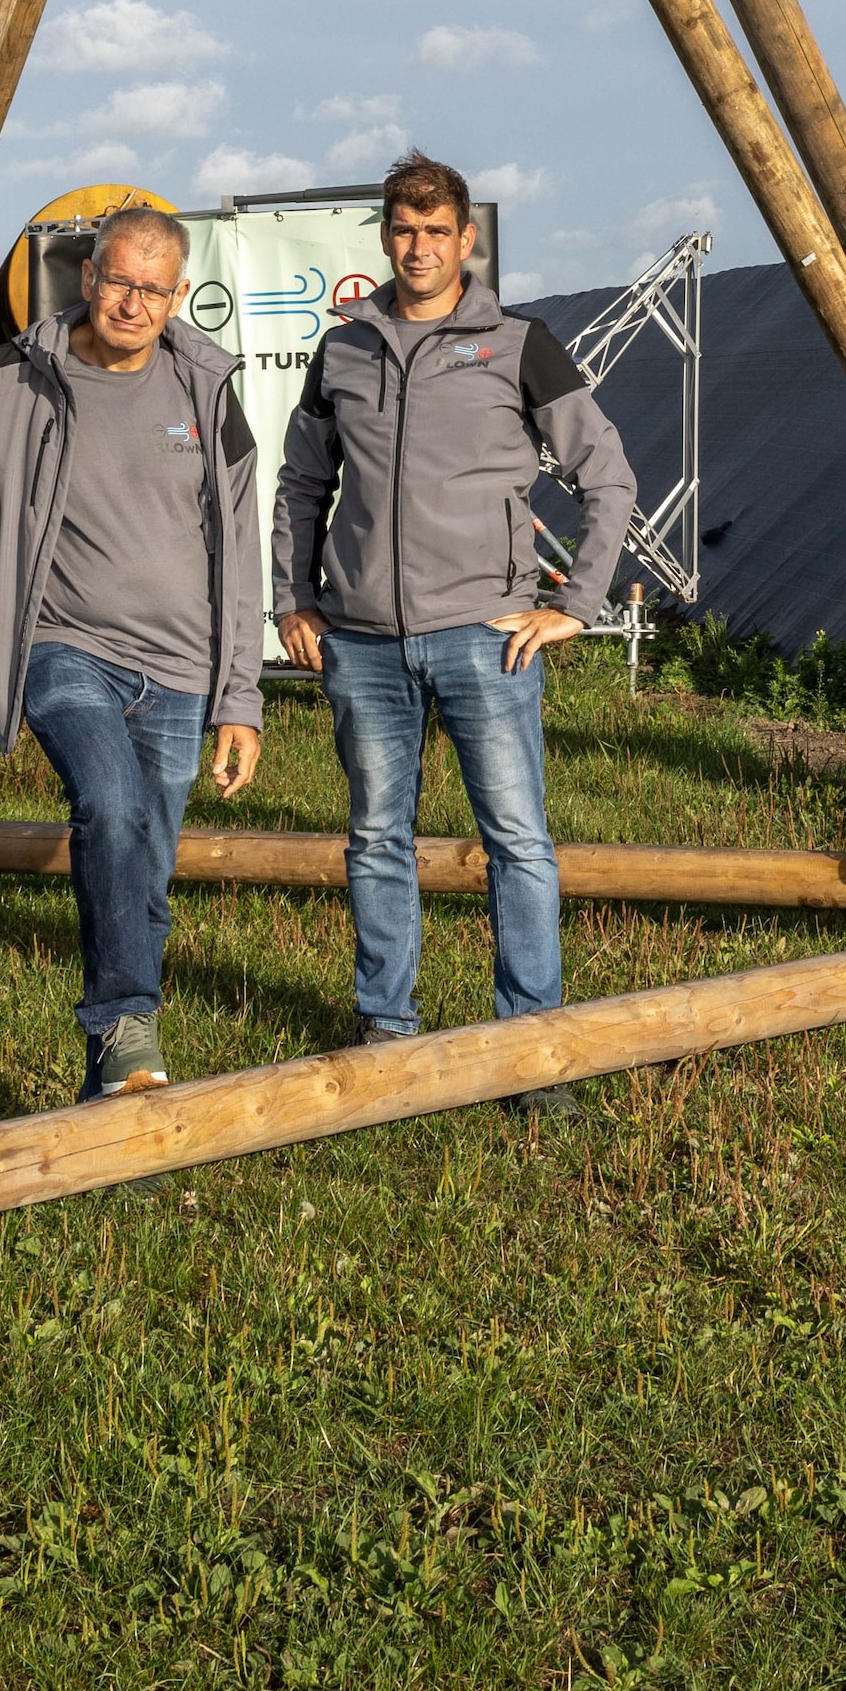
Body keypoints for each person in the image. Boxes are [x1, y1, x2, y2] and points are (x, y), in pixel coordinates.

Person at [0, 204, 263, 1100]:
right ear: (88, 276)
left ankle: (116, 1069)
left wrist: (241, 696)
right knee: (109, 806)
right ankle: (124, 1021)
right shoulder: (13, 379)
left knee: (144, 863)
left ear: (178, 295)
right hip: (62, 644)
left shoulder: (207, 389)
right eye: (118, 279)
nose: (132, 301)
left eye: (153, 288)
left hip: (185, 669)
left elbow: (240, 546)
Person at [272, 151, 636, 1105]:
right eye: (403, 229)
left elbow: (608, 476)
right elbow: (302, 483)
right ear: (385, 237)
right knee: (376, 836)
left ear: (467, 240)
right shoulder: (343, 347)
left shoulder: (518, 343)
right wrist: (293, 599)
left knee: (517, 839)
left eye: (437, 230)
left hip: (487, 634)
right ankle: (387, 1027)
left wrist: (574, 606)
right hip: (362, 640)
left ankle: (529, 1041)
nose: (419, 245)